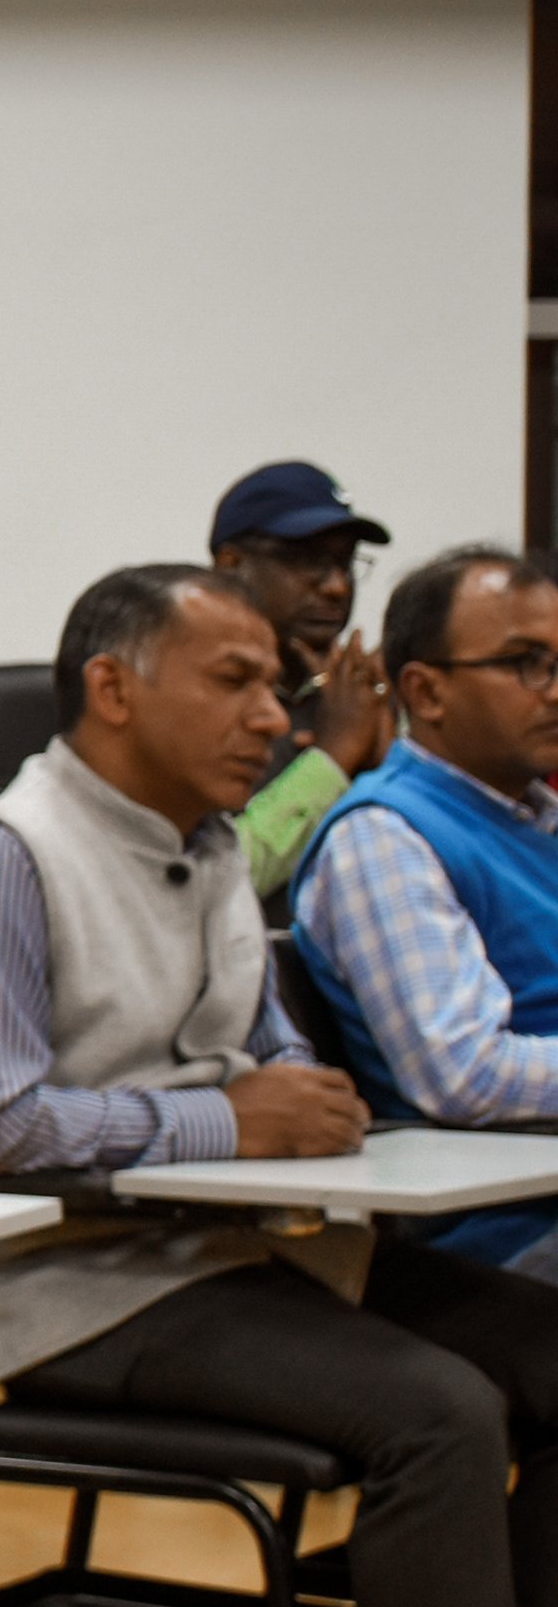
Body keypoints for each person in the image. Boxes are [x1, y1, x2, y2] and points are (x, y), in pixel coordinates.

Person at [0, 561, 558, 1607]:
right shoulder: (0, 860)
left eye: (272, 688)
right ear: (112, 690)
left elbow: (260, 1044)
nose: (273, 719)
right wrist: (222, 1123)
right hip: (75, 1281)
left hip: (235, 1245)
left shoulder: (202, 846)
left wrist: (301, 1090)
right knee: (439, 1413)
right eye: (235, 682)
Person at [295, 545, 558, 1282]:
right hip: (506, 1233)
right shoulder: (385, 837)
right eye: (528, 665)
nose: (555, 690)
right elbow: (464, 1074)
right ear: (426, 691)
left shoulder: (538, 818)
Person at [209, 460, 396, 900]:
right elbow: (207, 885)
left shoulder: (369, 696)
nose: (337, 588)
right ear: (231, 565)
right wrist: (331, 760)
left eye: (345, 563)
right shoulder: (187, 695)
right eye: (308, 561)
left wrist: (388, 773)